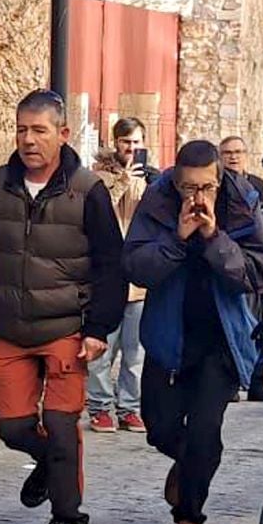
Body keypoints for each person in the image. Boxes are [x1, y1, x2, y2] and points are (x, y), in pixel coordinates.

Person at [0, 90, 126, 524]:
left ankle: (68, 517)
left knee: (59, 424)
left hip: (65, 329)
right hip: (12, 328)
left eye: (39, 130)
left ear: (62, 133)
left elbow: (111, 265)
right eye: (21, 130)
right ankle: (46, 463)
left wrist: (98, 330)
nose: (28, 140)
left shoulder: (88, 189)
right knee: (13, 428)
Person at [124, 140, 263, 524]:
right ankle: (189, 468)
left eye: (206, 188)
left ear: (218, 180)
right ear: (175, 180)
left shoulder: (243, 201)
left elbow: (257, 273)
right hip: (169, 337)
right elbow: (134, 266)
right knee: (160, 429)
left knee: (205, 432)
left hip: (221, 342)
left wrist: (213, 238)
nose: (197, 197)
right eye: (189, 189)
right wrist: (176, 240)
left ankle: (189, 518)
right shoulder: (156, 200)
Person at [86, 119, 157, 433]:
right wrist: (122, 183)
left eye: (136, 143)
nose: (131, 148)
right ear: (115, 142)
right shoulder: (96, 178)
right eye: (126, 142)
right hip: (107, 277)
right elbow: (97, 214)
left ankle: (130, 407)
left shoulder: (148, 179)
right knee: (101, 348)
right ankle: (99, 407)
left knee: (134, 352)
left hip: (138, 278)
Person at [220, 135, 263, 401]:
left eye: (238, 152)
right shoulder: (218, 187)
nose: (233, 157)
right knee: (234, 324)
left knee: (257, 325)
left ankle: (256, 383)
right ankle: (231, 384)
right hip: (230, 264)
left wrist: (256, 222)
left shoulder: (255, 184)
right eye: (228, 152)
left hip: (254, 263)